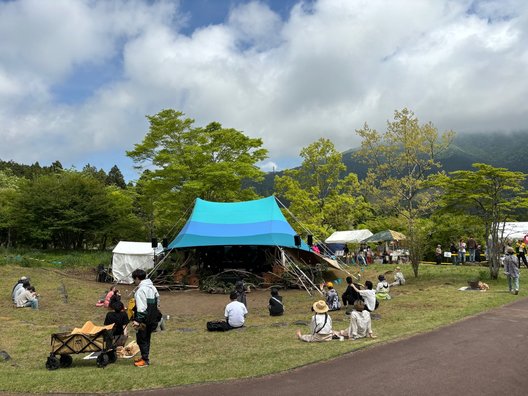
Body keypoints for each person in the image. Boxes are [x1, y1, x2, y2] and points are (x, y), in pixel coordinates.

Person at [131, 269, 161, 367]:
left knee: (141, 339)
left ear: (137, 278)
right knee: (147, 338)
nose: (134, 281)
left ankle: (145, 360)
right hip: (153, 318)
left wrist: (137, 320)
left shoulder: (141, 290)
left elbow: (141, 307)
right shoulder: (153, 288)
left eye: (134, 279)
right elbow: (158, 303)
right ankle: (144, 357)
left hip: (144, 320)